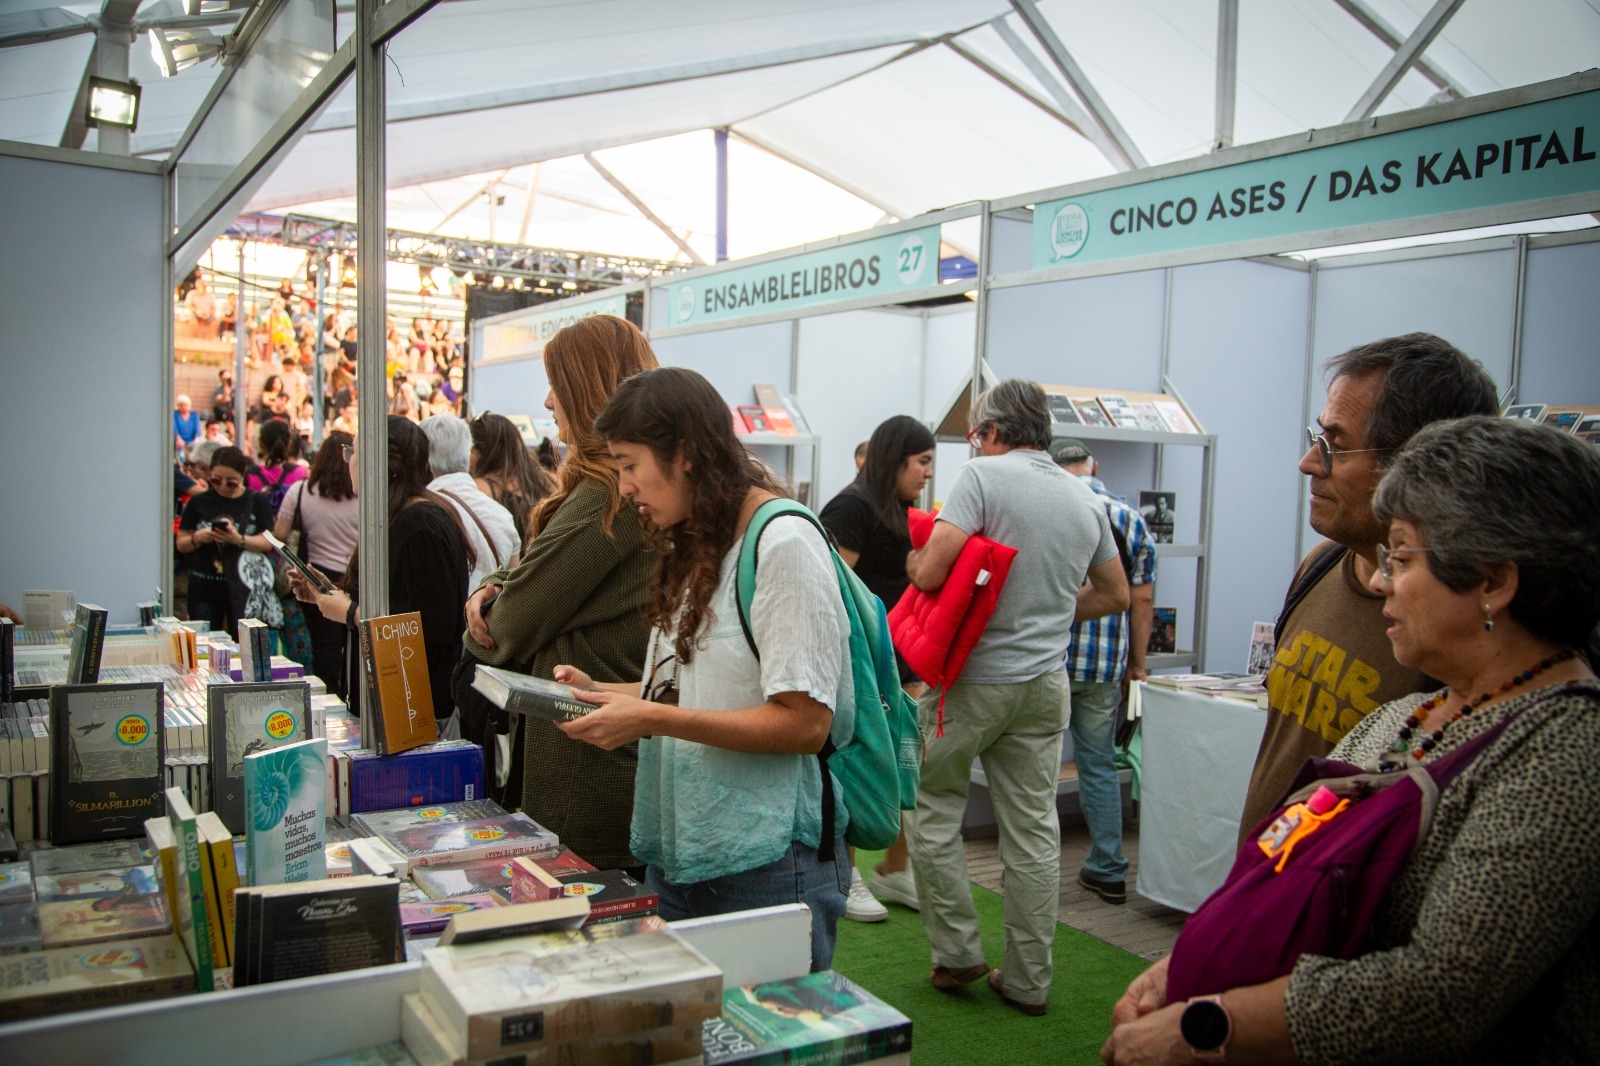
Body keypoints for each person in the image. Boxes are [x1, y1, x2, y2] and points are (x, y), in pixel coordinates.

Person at [1102, 415, 1600, 1064]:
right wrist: (1186, 967)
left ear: (1493, 582)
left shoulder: (1565, 754)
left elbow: (1439, 993)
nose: (1380, 581)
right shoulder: (1407, 715)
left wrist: (1206, 1026)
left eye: (1401, 555)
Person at [556, 365, 851, 973]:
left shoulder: (784, 545)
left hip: (765, 864)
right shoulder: (699, 541)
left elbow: (804, 723)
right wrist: (610, 695)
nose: (624, 483)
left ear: (685, 454)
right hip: (687, 853)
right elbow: (701, 689)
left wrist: (649, 718)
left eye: (630, 463)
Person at [905, 379, 1128, 1016]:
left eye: (978, 434)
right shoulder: (1084, 498)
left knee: (930, 805)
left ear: (993, 432)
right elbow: (1113, 593)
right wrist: (1053, 614)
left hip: (973, 682)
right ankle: (1029, 980)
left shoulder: (982, 478)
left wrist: (921, 564)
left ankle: (957, 950)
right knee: (1033, 832)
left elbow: (933, 569)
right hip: (1044, 684)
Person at [1237, 333, 1499, 843]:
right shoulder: (1321, 563)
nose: (1310, 463)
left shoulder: (1461, 627)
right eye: (1317, 438)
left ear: (1419, 462)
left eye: (1336, 445)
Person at [457, 313, 658, 862]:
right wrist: (500, 582)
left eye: (556, 385)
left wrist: (494, 600)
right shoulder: (605, 494)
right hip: (602, 755)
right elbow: (530, 576)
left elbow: (505, 629)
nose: (548, 403)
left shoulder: (605, 500)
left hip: (589, 772)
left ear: (586, 391)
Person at [818, 414, 935, 922]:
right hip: (859, 661)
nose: (929, 472)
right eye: (923, 461)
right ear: (897, 459)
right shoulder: (851, 507)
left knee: (905, 759)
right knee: (853, 762)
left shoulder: (902, 510)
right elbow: (833, 588)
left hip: (897, 656)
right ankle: (848, 873)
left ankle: (895, 865)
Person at [288, 416, 473, 730]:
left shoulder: (420, 524)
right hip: (393, 708)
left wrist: (349, 612)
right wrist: (326, 594)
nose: (350, 461)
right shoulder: (396, 517)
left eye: (355, 451)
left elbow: (427, 629)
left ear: (382, 463)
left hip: (415, 713)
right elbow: (389, 602)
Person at [1051, 437, 1158, 906]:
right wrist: (1136, 664)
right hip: (1104, 666)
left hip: (1049, 660)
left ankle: (1032, 873)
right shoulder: (1132, 519)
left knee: (1035, 771)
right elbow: (1143, 600)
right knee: (1097, 766)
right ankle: (1108, 867)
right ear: (1094, 464)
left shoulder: (1052, 509)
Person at [275, 431, 360, 696]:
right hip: (354, 579)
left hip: (315, 578)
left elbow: (279, 534)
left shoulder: (300, 490)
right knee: (354, 646)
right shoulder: (364, 496)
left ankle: (327, 700)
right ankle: (348, 698)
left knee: (323, 649)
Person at [176, 445, 280, 636]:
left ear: (242, 476)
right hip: (204, 588)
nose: (223, 486)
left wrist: (239, 540)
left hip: (244, 589)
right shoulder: (199, 501)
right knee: (205, 649)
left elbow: (268, 542)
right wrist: (197, 537)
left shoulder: (257, 501)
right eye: (216, 480)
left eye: (230, 482)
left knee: (244, 649)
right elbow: (181, 544)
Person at [420, 414, 520, 589]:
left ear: (422, 456)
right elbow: (513, 586)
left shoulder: (420, 513)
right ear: (468, 452)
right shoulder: (501, 515)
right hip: (487, 614)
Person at [470, 412, 553, 548]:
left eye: (471, 450)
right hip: (541, 562)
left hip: (510, 566)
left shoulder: (480, 489)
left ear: (482, 452)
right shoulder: (546, 480)